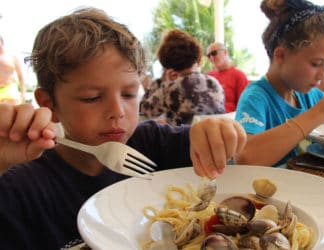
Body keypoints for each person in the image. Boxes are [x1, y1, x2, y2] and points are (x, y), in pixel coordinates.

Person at [0, 8, 246, 249]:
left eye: (129, 94)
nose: (118, 111)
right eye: (92, 97)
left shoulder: (151, 142)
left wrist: (221, 132)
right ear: (48, 103)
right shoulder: (21, 185)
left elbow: (231, 150)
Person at [233, 0, 324, 167]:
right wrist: (318, 113)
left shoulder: (311, 97)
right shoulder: (256, 97)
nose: (322, 75)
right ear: (280, 55)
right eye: (315, 64)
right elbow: (245, 157)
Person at [140, 29, 225, 125]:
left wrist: (162, 80)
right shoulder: (215, 83)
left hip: (186, 139)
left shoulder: (171, 88)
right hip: (213, 137)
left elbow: (143, 109)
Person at [207, 42, 249, 112]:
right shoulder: (209, 75)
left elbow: (244, 105)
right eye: (209, 55)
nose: (211, 57)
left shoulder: (239, 75)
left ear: (225, 52)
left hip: (229, 118)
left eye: (214, 53)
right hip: (208, 117)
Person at [0, 35, 26, 104]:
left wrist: (23, 93)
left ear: (2, 42)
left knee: (10, 111)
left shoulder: (12, 57)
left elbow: (21, 76)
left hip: (9, 89)